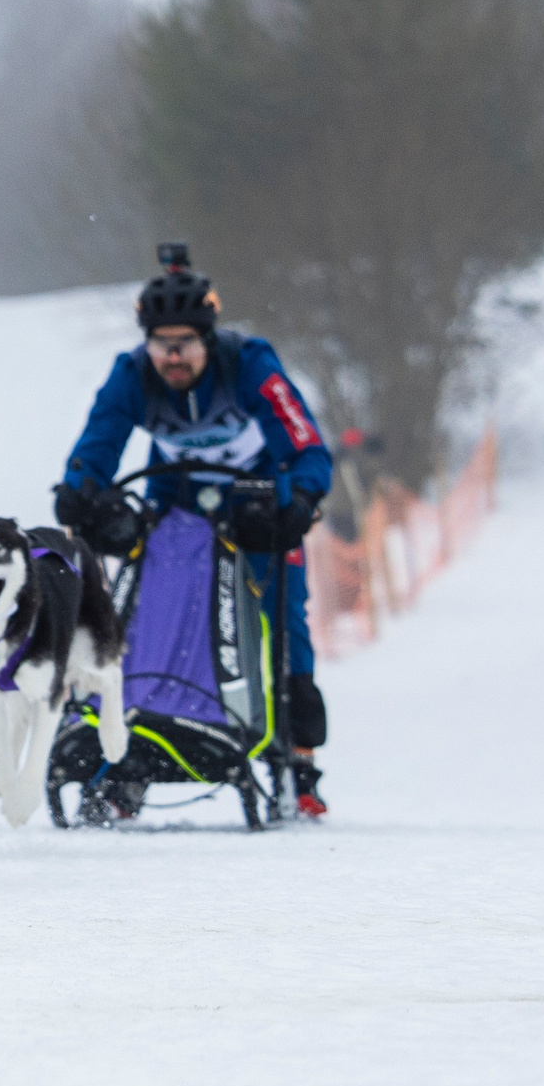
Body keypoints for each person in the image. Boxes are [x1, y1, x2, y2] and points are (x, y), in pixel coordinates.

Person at [53, 246, 334, 817]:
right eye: (161, 345)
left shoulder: (250, 362)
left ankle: (297, 759)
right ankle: (129, 748)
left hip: (255, 498)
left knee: (283, 617)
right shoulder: (131, 375)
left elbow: (302, 440)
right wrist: (79, 488)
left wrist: (303, 494)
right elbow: (98, 442)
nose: (173, 357)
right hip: (175, 499)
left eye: (185, 344)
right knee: (144, 610)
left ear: (208, 340)